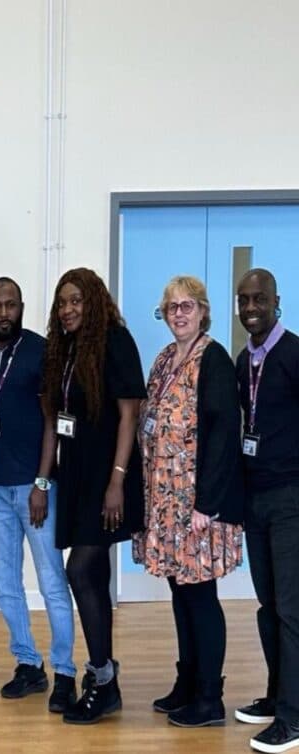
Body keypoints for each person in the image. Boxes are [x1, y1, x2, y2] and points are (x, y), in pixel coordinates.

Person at [131, 275, 243, 728]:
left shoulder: (212, 360)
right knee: (180, 592)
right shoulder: (162, 361)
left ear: (203, 311)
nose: (179, 314)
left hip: (198, 507)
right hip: (165, 502)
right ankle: (187, 680)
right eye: (171, 307)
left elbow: (221, 435)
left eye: (187, 306)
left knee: (201, 596)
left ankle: (209, 698)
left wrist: (206, 504)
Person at [39, 267, 146, 725]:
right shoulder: (63, 348)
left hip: (108, 477)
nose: (68, 310)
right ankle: (108, 683)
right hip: (77, 476)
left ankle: (101, 676)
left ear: (95, 301)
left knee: (79, 569)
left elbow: (129, 416)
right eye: (62, 302)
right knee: (93, 574)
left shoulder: (116, 342)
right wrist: (46, 479)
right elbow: (57, 417)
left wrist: (117, 481)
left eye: (76, 301)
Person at [0, 277, 77, 712]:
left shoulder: (41, 349)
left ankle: (65, 671)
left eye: (10, 305)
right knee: (6, 587)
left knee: (52, 582)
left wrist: (42, 482)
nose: (3, 313)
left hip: (36, 490)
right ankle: (28, 664)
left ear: (22, 307)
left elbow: (52, 421)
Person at [232, 269, 299, 754]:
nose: (251, 306)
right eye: (244, 299)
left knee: (293, 610)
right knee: (268, 606)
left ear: (278, 302)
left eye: (259, 298)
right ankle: (278, 696)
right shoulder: (244, 360)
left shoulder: (294, 354)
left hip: (292, 498)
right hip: (256, 497)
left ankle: (294, 718)